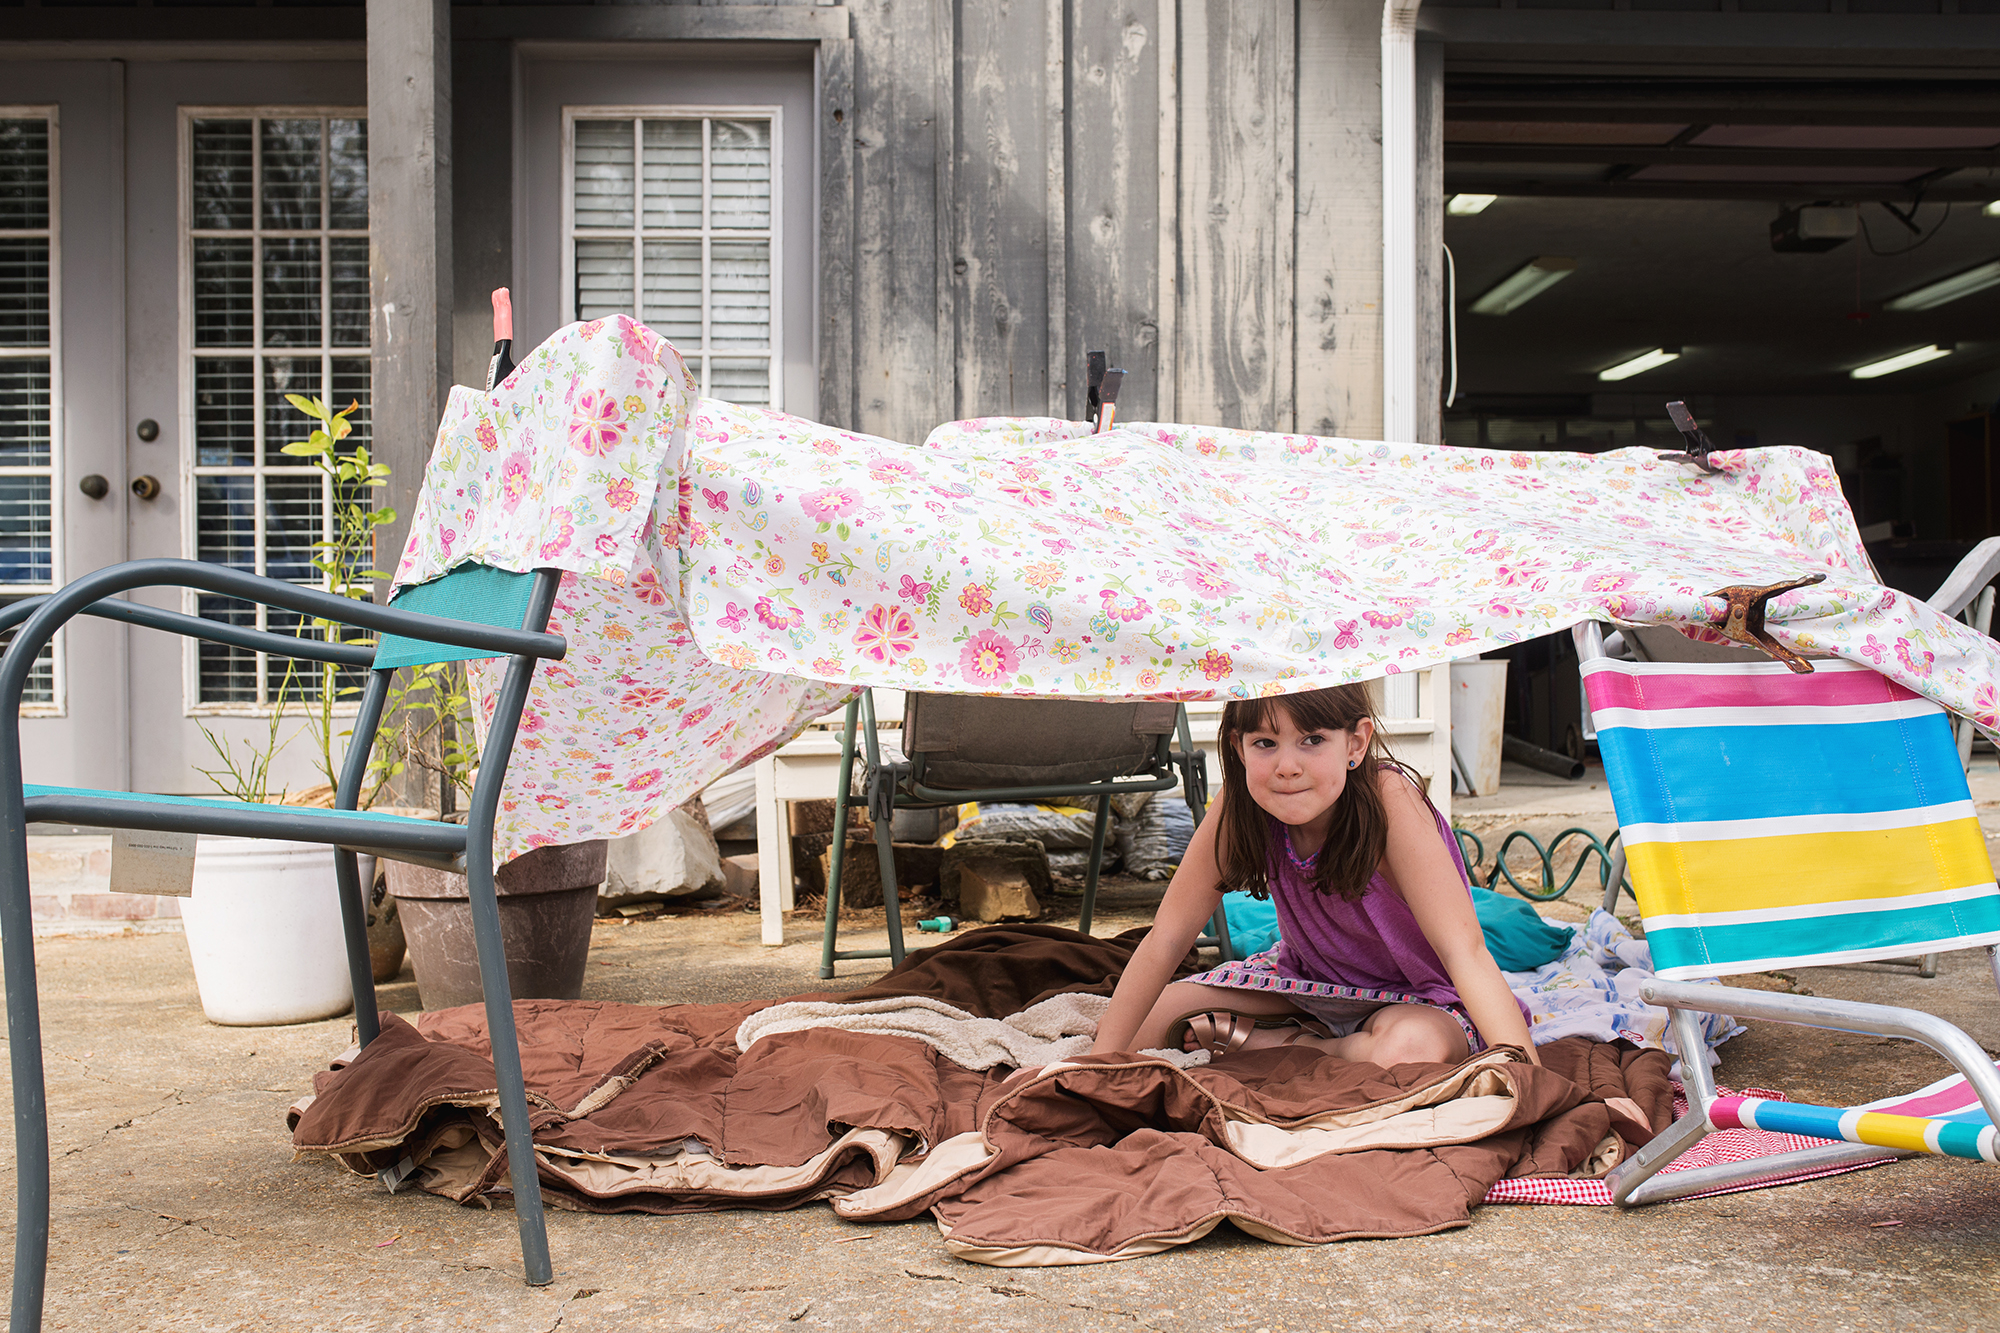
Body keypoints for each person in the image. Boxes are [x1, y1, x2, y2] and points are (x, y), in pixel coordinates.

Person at [1090, 682, 1536, 1066]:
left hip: (1417, 997)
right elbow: (1167, 938)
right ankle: (1314, 1032)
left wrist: (1529, 1079)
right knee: (1144, 1021)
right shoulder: (1241, 806)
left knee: (1408, 1050)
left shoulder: (1391, 802)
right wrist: (1090, 1066)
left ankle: (1301, 1044)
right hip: (1307, 982)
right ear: (1237, 746)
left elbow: (1467, 954)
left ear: (1356, 743)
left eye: (1312, 740)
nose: (1287, 766)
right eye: (1265, 743)